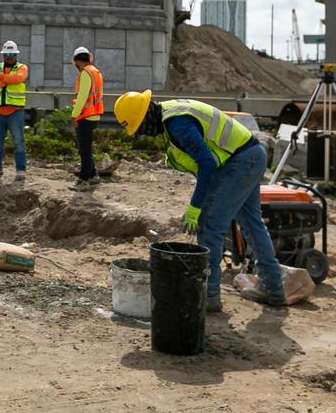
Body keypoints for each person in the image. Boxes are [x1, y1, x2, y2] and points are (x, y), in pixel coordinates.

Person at [113, 90, 287, 312]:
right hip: (250, 156)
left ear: (146, 115)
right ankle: (273, 288)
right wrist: (200, 201)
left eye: (139, 127)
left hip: (241, 161)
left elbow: (207, 164)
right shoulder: (172, 117)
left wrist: (196, 207)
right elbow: (209, 166)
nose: (143, 133)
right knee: (252, 224)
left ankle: (209, 296)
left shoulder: (177, 125)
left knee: (210, 226)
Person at [0, 39, 28, 182]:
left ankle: (21, 170)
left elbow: (19, 78)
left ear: (16, 55)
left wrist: (2, 78)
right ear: (3, 55)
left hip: (15, 112)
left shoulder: (22, 67)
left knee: (18, 141)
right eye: (7, 54)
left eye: (12, 54)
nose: (9, 56)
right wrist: (7, 80)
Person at [69, 46, 104, 191]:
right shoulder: (96, 72)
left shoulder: (85, 73)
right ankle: (93, 175)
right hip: (94, 114)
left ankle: (83, 180)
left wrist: (74, 115)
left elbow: (82, 97)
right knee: (87, 148)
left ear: (78, 61)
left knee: (84, 150)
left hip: (85, 115)